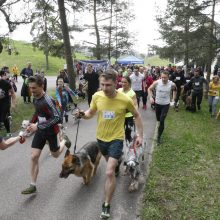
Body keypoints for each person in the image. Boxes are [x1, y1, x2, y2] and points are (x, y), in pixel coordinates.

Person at [75, 70, 143, 219]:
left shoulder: (125, 99)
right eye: (102, 84)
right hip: (101, 139)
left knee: (109, 172)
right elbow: (91, 113)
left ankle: (106, 204)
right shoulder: (96, 96)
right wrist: (82, 114)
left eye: (108, 85)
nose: (105, 88)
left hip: (116, 139)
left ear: (115, 83)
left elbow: (137, 115)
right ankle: (117, 163)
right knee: (111, 164)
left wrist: (140, 135)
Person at [21, 75, 71, 195]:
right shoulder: (35, 98)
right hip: (40, 132)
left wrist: (37, 126)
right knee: (34, 156)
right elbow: (37, 113)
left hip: (50, 132)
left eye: (34, 88)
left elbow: (57, 118)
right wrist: (31, 123)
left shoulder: (47, 100)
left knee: (55, 154)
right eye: (30, 88)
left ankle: (64, 140)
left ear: (42, 86)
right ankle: (33, 185)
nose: (32, 91)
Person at [148, 71, 177, 145]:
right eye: (162, 77)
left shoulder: (172, 84)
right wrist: (151, 97)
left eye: (165, 77)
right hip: (157, 104)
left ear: (168, 77)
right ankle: (159, 128)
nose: (163, 79)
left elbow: (175, 90)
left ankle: (158, 137)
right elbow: (149, 89)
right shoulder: (157, 83)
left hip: (165, 105)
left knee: (161, 120)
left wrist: (173, 99)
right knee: (158, 119)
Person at [118, 76, 137, 142]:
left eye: (125, 82)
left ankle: (129, 141)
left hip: (129, 115)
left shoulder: (132, 93)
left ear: (129, 83)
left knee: (128, 131)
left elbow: (135, 105)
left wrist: (135, 116)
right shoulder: (119, 91)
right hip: (120, 115)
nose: (123, 84)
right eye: (122, 82)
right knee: (119, 132)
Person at [0, 70, 16, 137]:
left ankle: (8, 132)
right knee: (4, 118)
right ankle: (8, 130)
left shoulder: (6, 83)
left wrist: (13, 104)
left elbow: (13, 93)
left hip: (5, 103)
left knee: (2, 118)